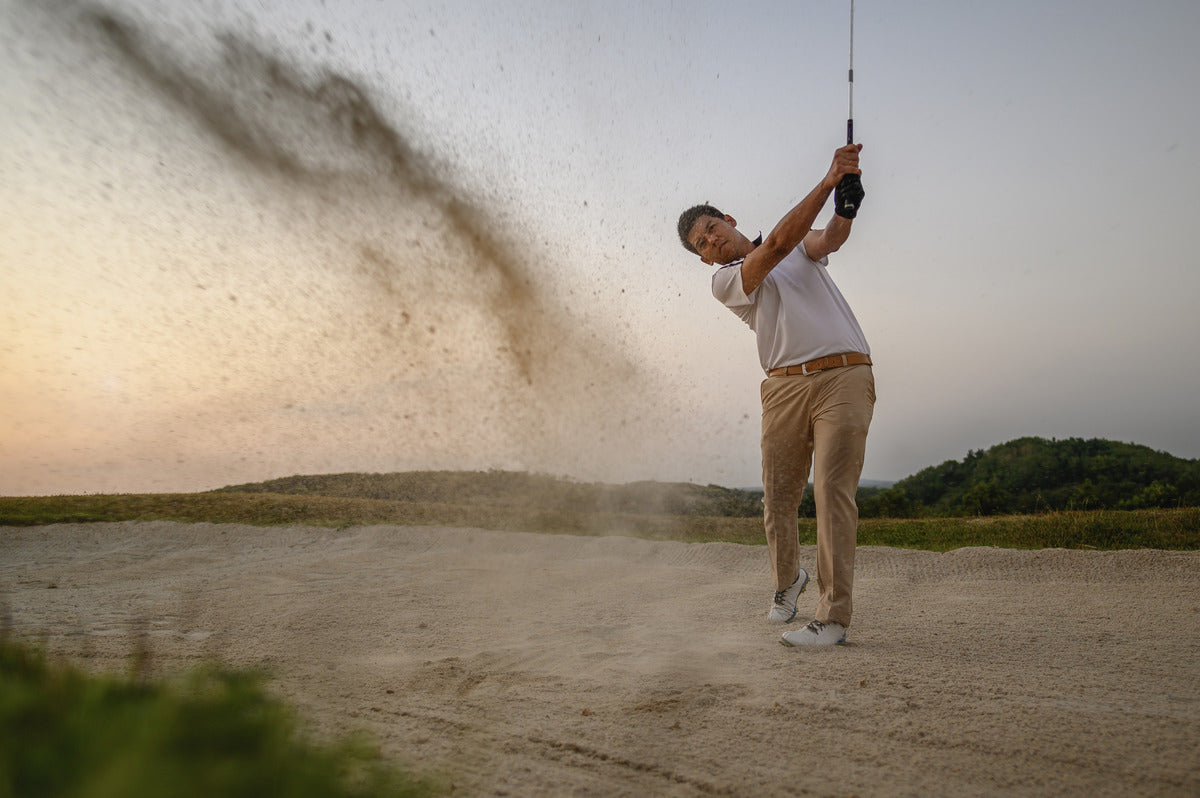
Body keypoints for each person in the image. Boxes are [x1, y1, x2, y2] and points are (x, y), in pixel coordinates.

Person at [677, 143, 874, 647]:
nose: (713, 242)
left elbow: (828, 237)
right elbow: (777, 248)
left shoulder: (797, 244)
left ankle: (832, 618)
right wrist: (828, 180)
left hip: (842, 376)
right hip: (783, 388)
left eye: (712, 229)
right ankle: (787, 581)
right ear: (705, 260)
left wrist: (844, 207)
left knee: (832, 491)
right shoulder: (727, 282)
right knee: (779, 497)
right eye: (703, 245)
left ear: (728, 218)